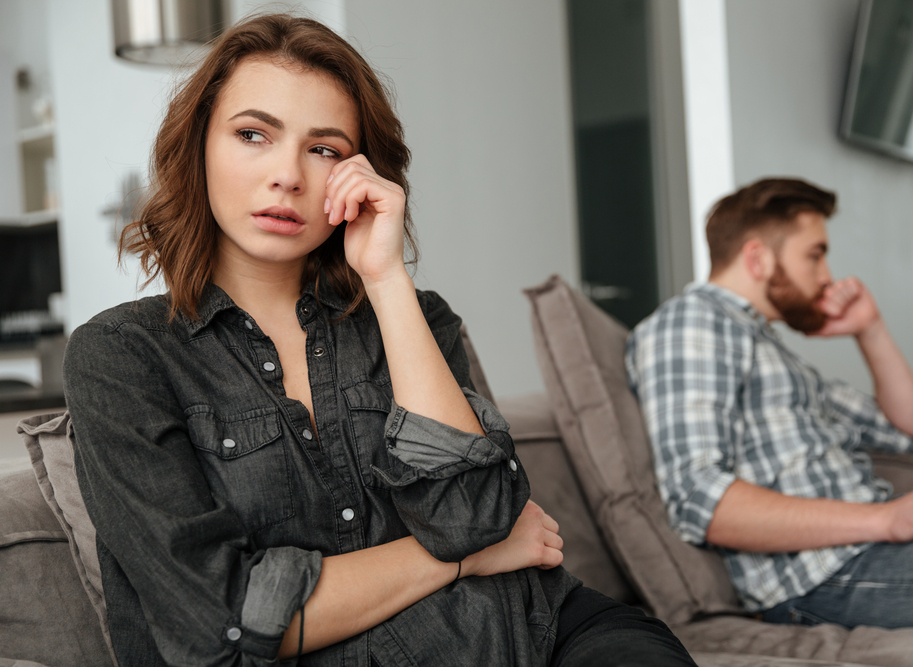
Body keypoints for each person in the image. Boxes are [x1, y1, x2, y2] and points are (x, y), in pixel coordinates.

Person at [63, 13, 695, 667]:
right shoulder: (122, 356)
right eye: (253, 134)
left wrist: (387, 277)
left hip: (540, 629)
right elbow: (220, 620)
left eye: (324, 148)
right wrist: (459, 559)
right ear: (199, 146)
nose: (288, 175)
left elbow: (472, 514)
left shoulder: (417, 317)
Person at [626, 177, 913, 631]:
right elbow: (701, 500)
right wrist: (886, 518)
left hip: (870, 548)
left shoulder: (773, 352)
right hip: (825, 575)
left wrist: (871, 329)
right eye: (815, 254)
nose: (826, 276)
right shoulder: (692, 325)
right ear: (757, 257)